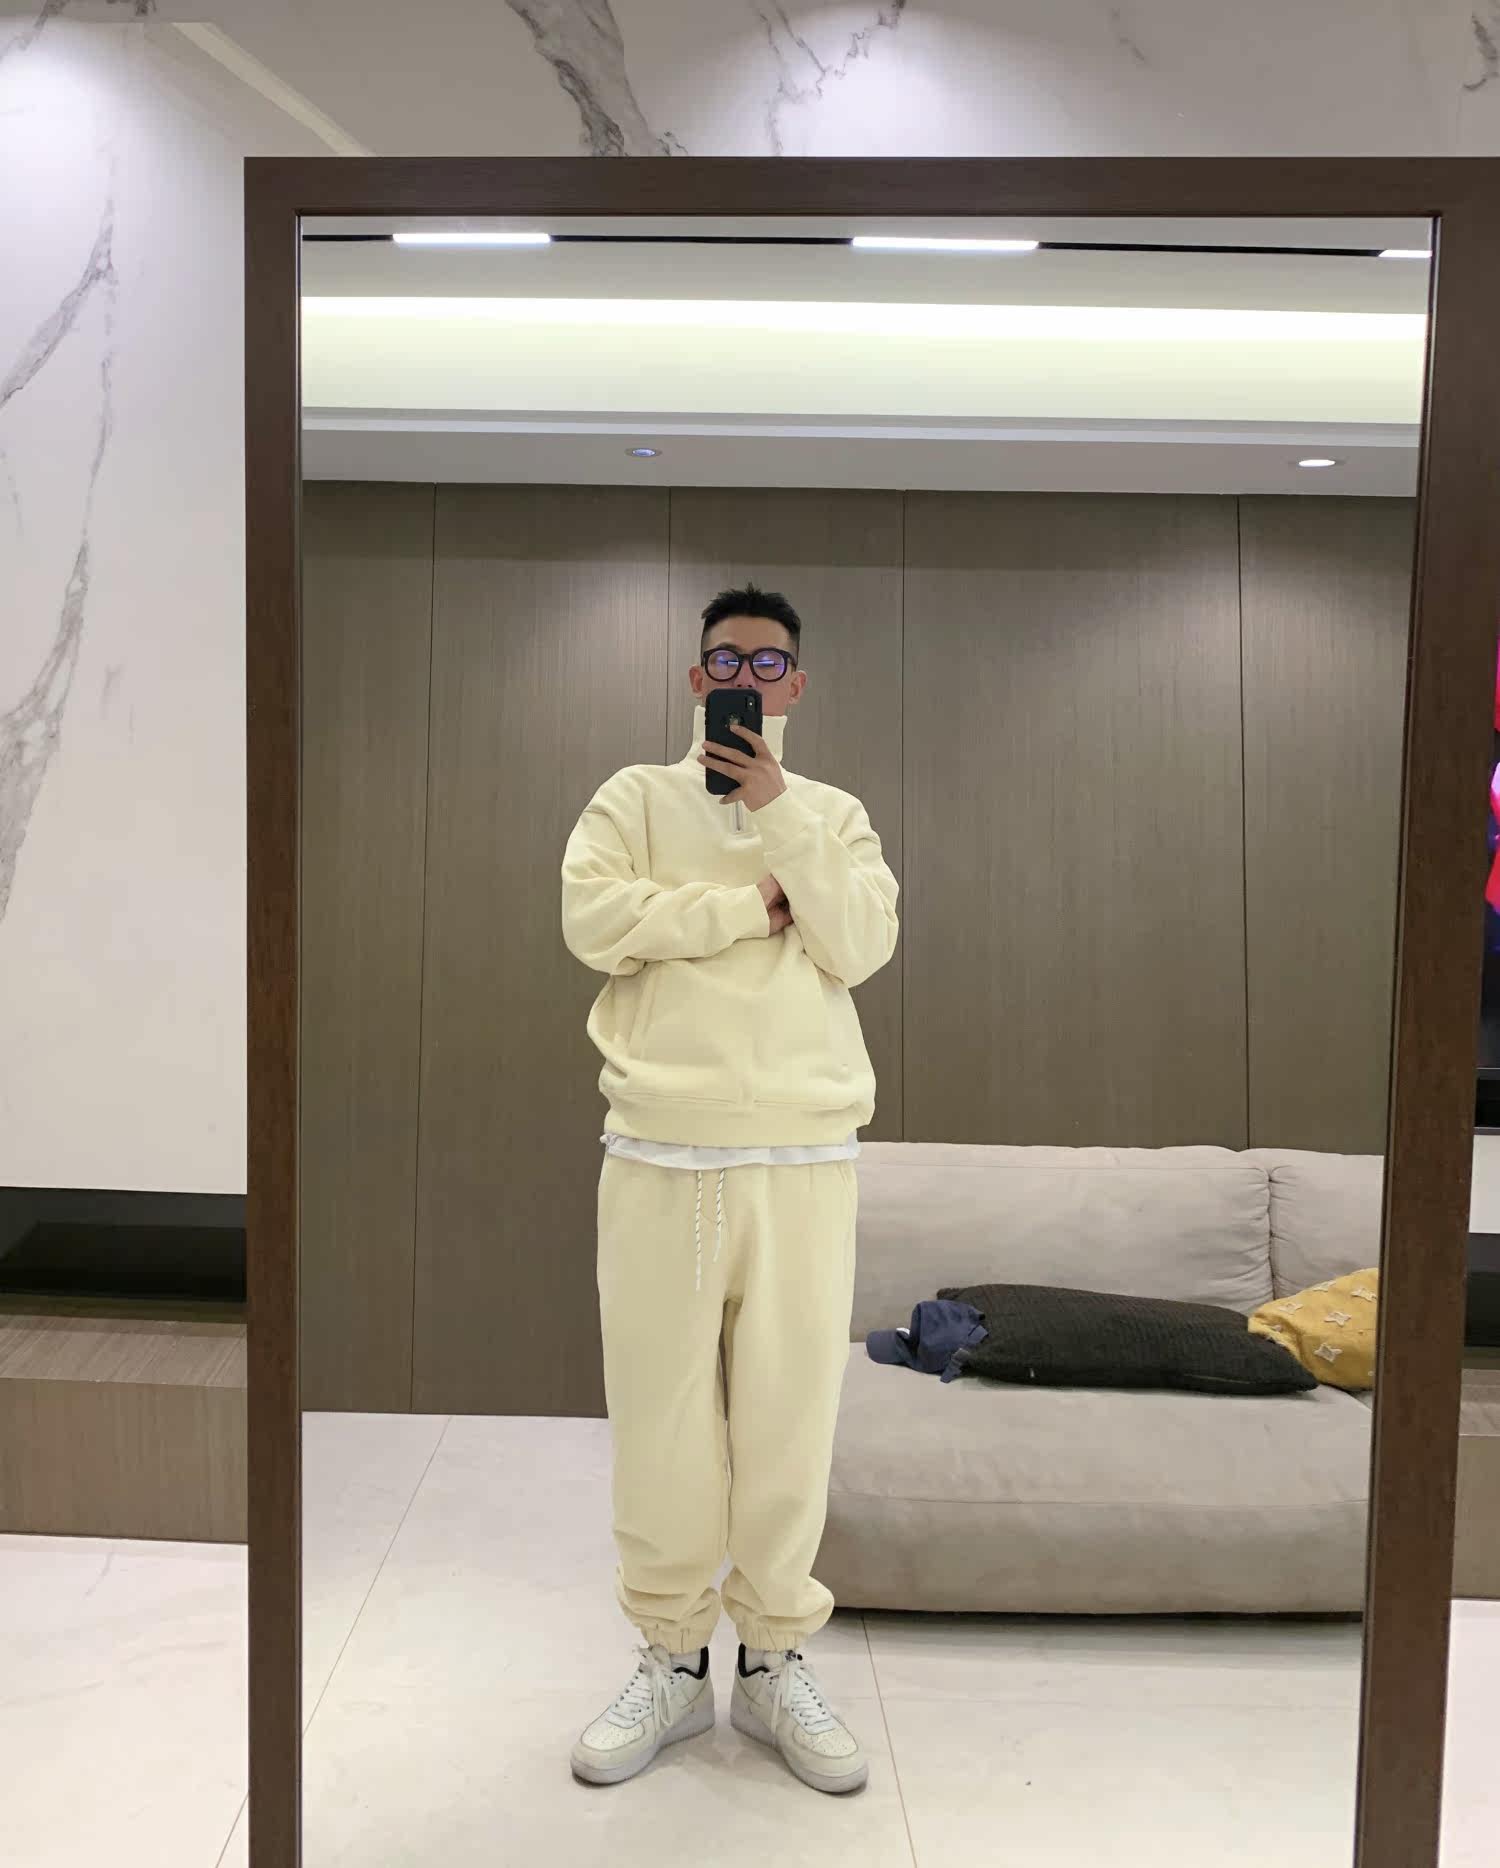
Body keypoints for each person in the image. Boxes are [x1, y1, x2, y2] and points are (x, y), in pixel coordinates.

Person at [560, 584, 900, 1794]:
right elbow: (595, 920)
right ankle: (668, 1658)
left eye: (765, 661)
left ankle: (770, 1660)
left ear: (794, 684)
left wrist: (778, 818)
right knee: (659, 1417)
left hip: (805, 1154)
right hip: (661, 1146)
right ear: (696, 678)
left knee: (790, 1418)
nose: (743, 676)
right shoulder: (633, 800)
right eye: (723, 659)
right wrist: (750, 905)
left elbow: (858, 941)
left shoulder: (833, 815)